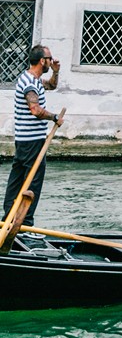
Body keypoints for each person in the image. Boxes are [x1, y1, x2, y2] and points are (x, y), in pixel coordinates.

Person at [3, 44, 65, 227]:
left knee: (16, 181)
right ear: (41, 61)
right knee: (33, 183)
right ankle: (24, 225)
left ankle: (8, 219)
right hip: (32, 142)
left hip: (24, 140)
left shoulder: (33, 80)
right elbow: (35, 110)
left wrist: (56, 72)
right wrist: (54, 117)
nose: (51, 61)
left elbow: (52, 86)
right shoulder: (30, 83)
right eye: (49, 59)